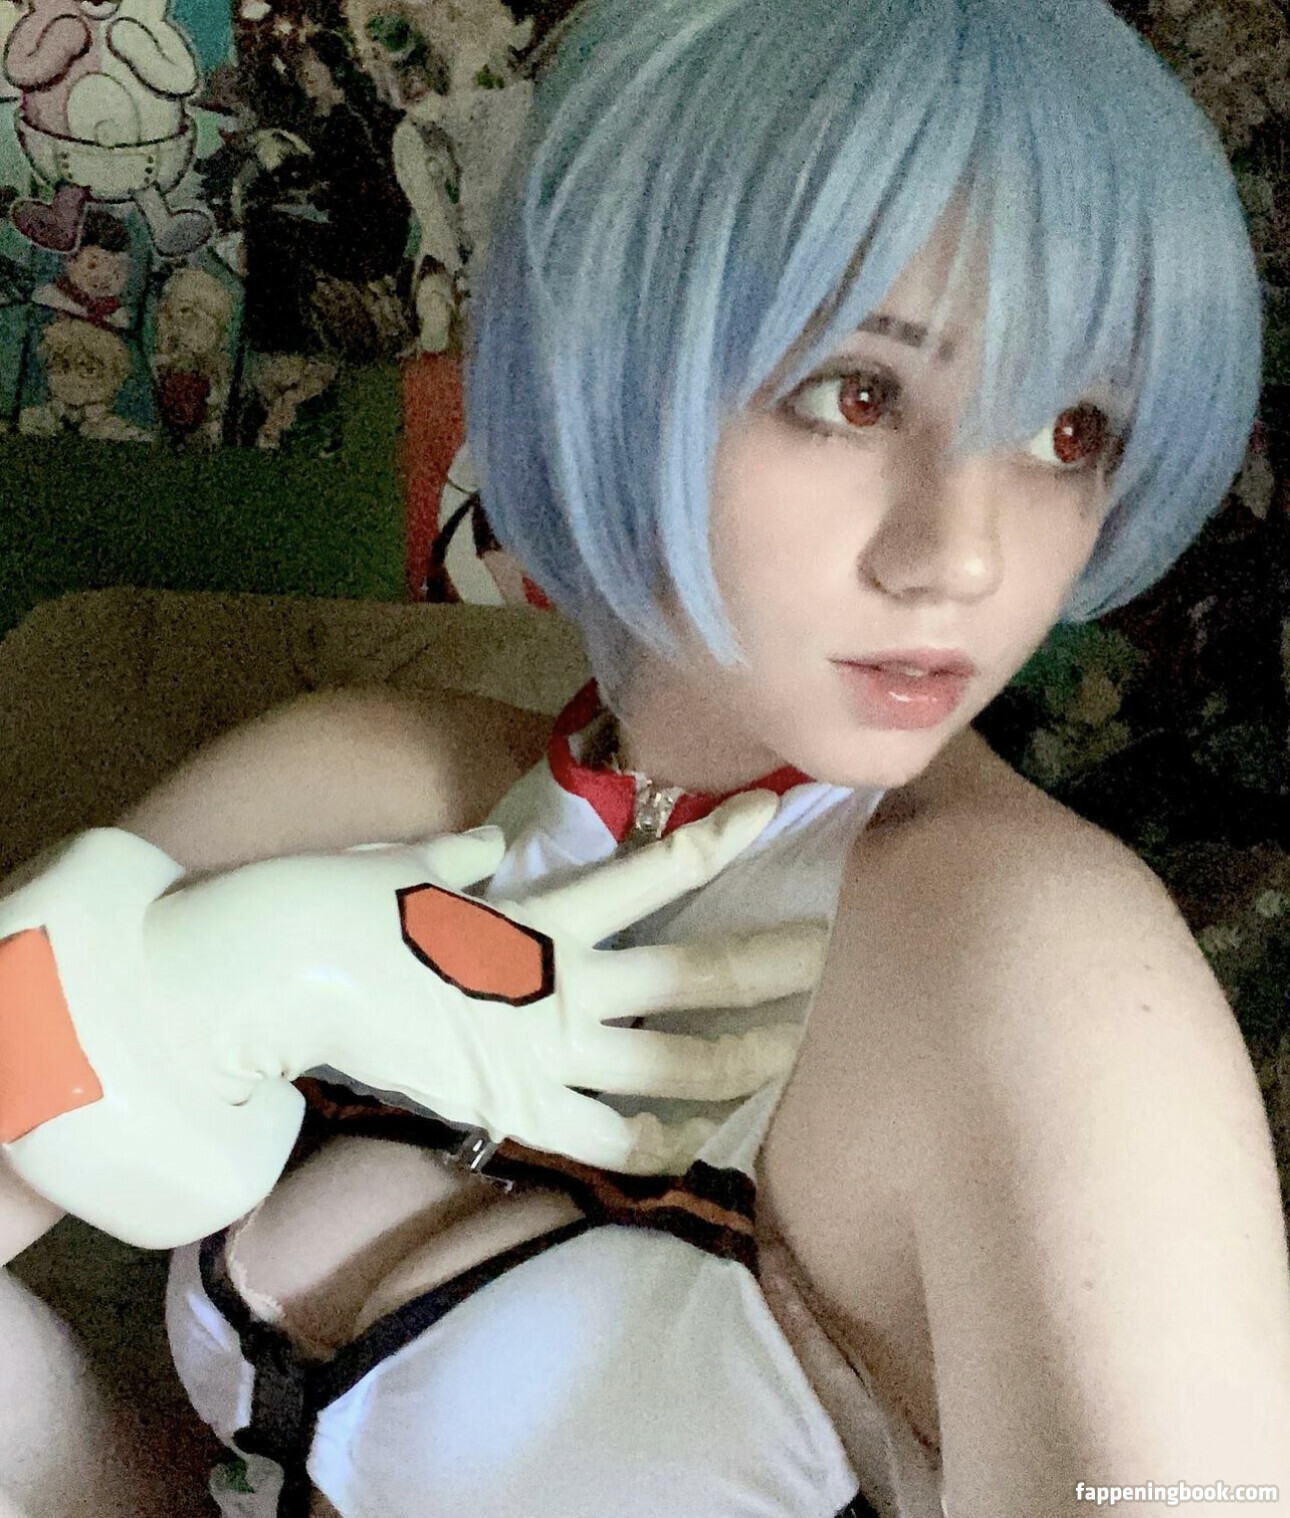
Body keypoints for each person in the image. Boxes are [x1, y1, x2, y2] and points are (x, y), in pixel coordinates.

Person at [4, 0, 1290, 1514]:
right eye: (860, 392)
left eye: (1069, 431)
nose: (964, 555)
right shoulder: (361, 776)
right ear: (613, 356)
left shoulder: (1036, 960)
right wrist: (180, 993)